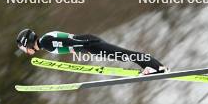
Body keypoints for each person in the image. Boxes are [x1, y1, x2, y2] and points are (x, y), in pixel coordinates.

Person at [16, 29, 169, 75]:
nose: (26, 52)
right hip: (88, 44)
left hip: (89, 44)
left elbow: (71, 41)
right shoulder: (45, 40)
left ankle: (155, 67)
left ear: (27, 43)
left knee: (124, 54)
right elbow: (68, 42)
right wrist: (79, 49)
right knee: (122, 55)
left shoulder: (46, 42)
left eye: (24, 48)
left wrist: (86, 45)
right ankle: (154, 67)